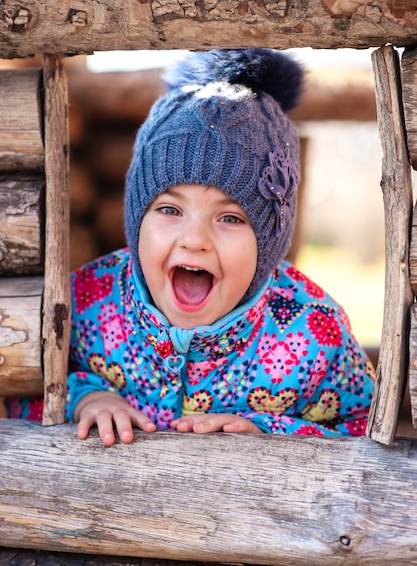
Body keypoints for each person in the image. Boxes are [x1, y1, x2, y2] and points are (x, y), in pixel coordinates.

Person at [6, 48, 375, 446]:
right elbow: (16, 387)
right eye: (169, 209)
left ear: (270, 242)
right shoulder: (86, 300)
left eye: (230, 218)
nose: (195, 239)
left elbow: (365, 429)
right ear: (137, 222)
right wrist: (84, 398)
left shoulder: (314, 331)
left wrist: (271, 433)